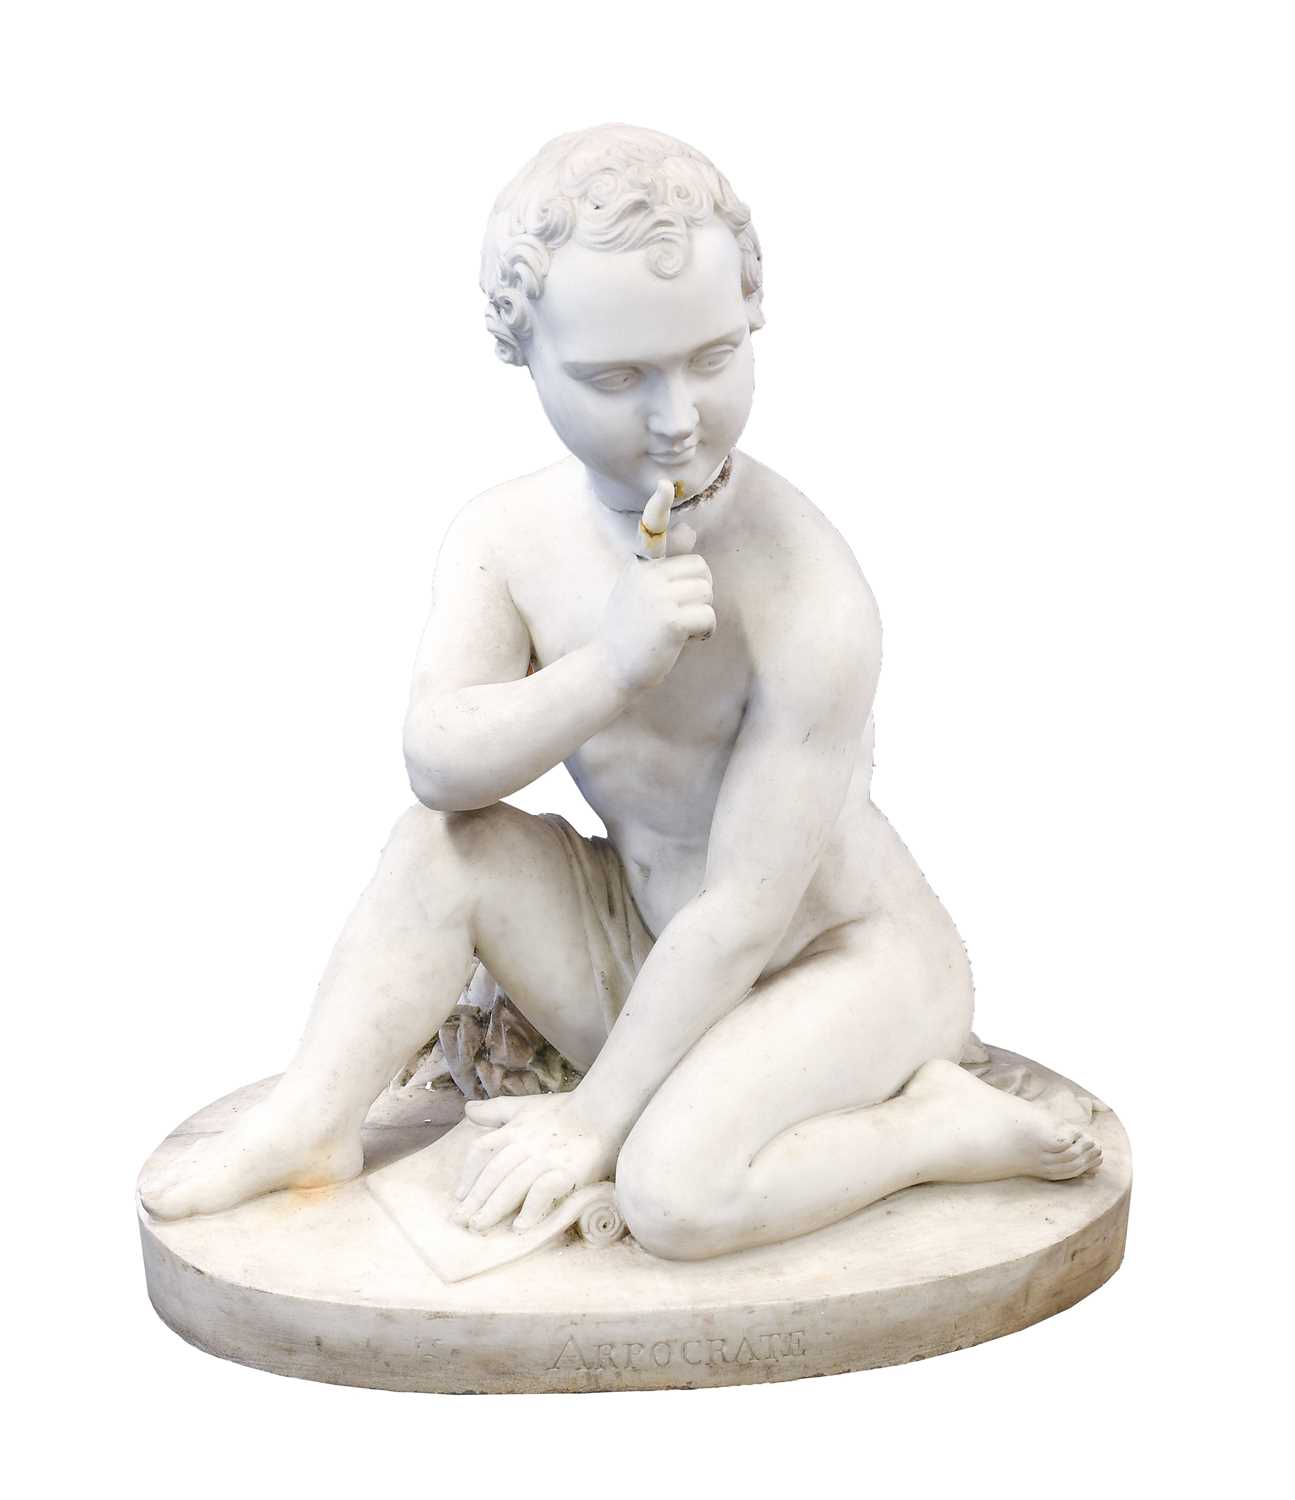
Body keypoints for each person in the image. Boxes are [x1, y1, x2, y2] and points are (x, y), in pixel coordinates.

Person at [141, 125, 1099, 1259]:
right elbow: (439, 761)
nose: (675, 417)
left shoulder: (807, 592)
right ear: (525, 355)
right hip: (646, 947)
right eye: (616, 377)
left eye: (711, 357)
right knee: (437, 849)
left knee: (675, 1197)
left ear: (751, 314)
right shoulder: (505, 537)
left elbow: (743, 912)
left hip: (839, 965)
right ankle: (311, 1120)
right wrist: (610, 667)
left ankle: (929, 1128)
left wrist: (592, 1122)